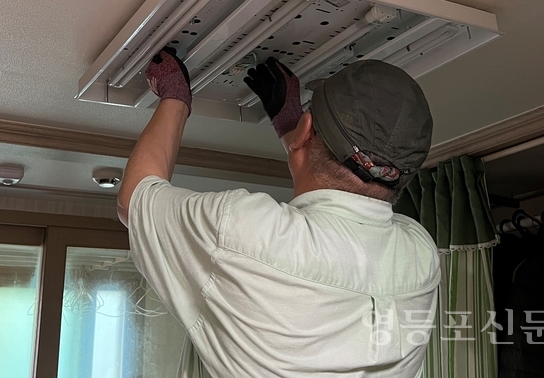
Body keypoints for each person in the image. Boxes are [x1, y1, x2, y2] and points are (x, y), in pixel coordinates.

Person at [117, 48, 440, 378]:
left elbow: (135, 200)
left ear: (306, 128)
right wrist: (292, 126)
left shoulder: (239, 228)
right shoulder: (419, 255)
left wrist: (175, 97)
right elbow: (350, 195)